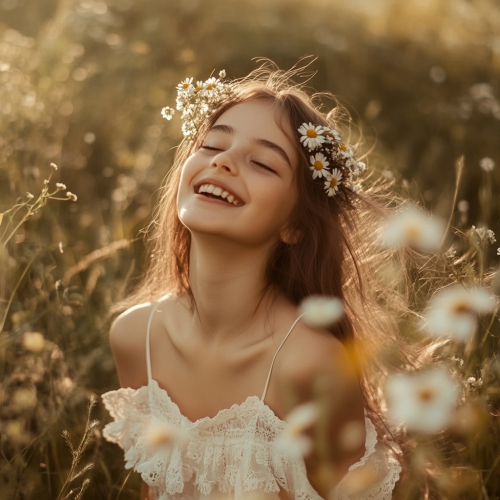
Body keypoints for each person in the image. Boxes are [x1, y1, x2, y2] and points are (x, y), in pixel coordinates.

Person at [101, 60, 404, 500]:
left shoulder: (312, 366)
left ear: (294, 225)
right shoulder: (135, 336)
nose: (223, 162)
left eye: (262, 163)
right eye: (210, 145)